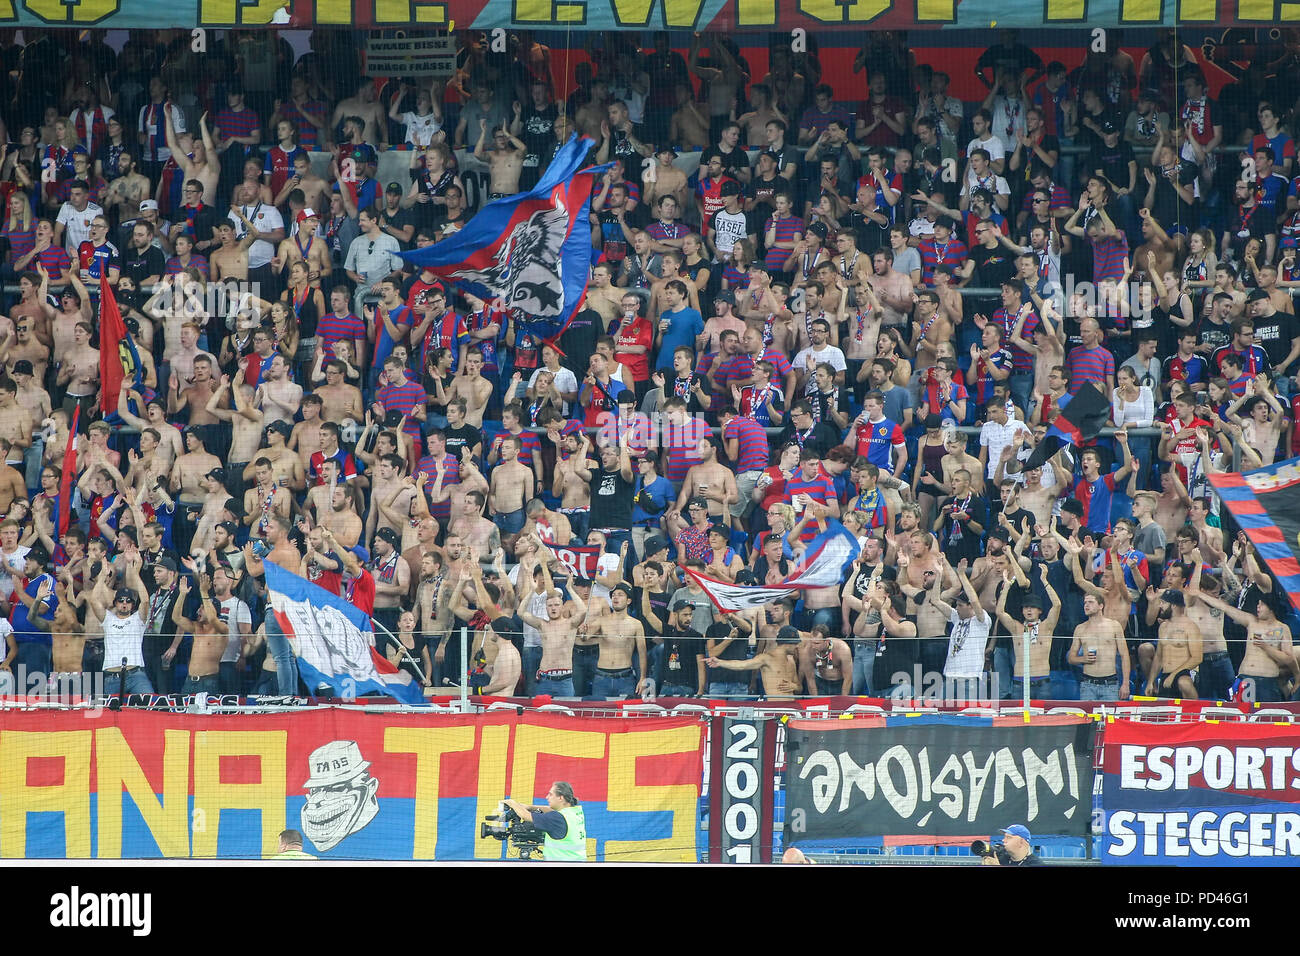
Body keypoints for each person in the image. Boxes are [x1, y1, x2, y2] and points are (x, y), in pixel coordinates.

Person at [503, 781, 587, 861]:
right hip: (577, 861)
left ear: (561, 798)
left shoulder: (556, 818)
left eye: (550, 794)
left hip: (561, 863)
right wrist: (529, 807)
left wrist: (512, 803)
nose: (547, 797)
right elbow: (550, 810)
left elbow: (526, 816)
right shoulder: (575, 812)